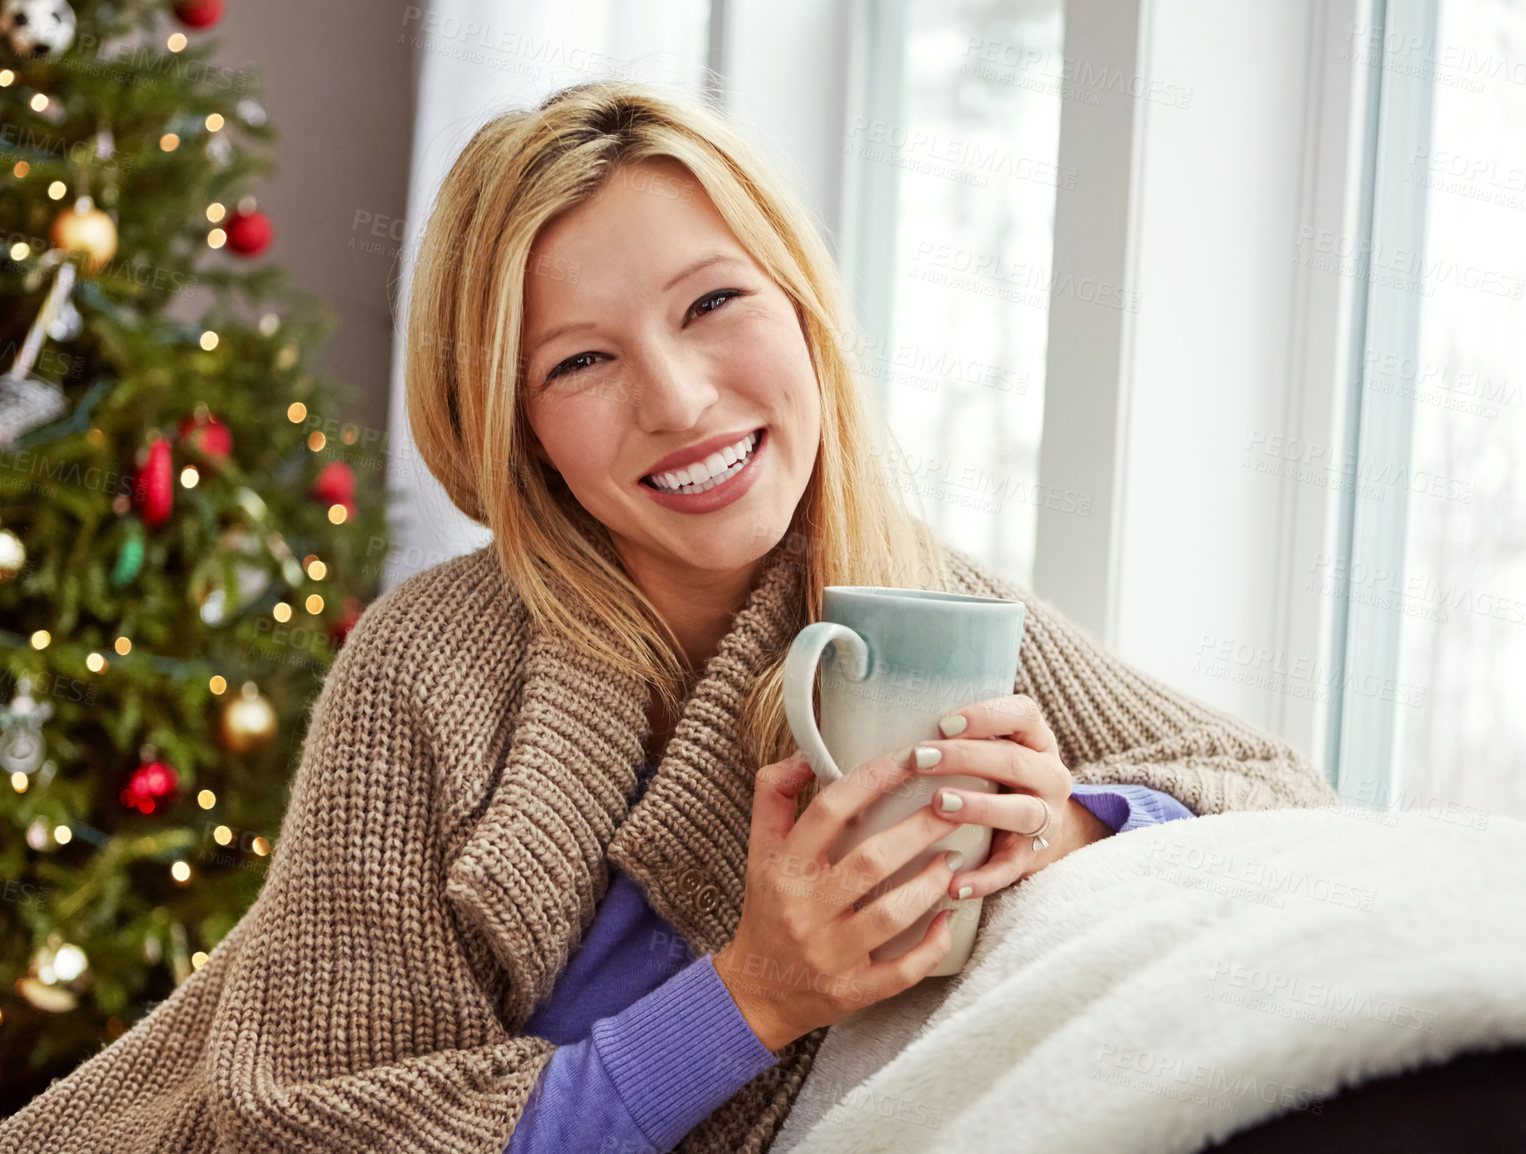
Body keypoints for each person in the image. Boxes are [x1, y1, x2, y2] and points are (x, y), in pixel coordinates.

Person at [0, 81, 1334, 1154]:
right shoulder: (430, 664)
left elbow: (1275, 797)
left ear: (800, 307)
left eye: (713, 303)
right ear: (513, 424)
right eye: (581, 360)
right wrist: (754, 995)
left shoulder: (932, 607)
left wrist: (1067, 828)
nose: (683, 399)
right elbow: (314, 1125)